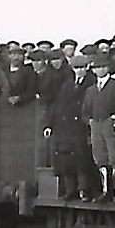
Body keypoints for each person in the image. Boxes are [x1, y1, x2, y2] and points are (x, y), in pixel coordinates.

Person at [44, 55, 95, 200]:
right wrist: (49, 124)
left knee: (81, 159)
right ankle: (70, 190)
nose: (79, 71)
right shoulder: (67, 84)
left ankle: (84, 190)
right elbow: (57, 105)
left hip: (80, 126)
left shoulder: (91, 84)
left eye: (82, 68)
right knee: (65, 159)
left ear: (87, 68)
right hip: (64, 127)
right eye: (76, 68)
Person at [82, 52, 115, 202]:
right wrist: (89, 121)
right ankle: (105, 191)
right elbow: (85, 110)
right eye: (96, 67)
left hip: (110, 123)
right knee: (100, 158)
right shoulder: (90, 90)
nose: (99, 70)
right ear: (93, 70)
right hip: (96, 125)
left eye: (102, 67)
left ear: (107, 68)